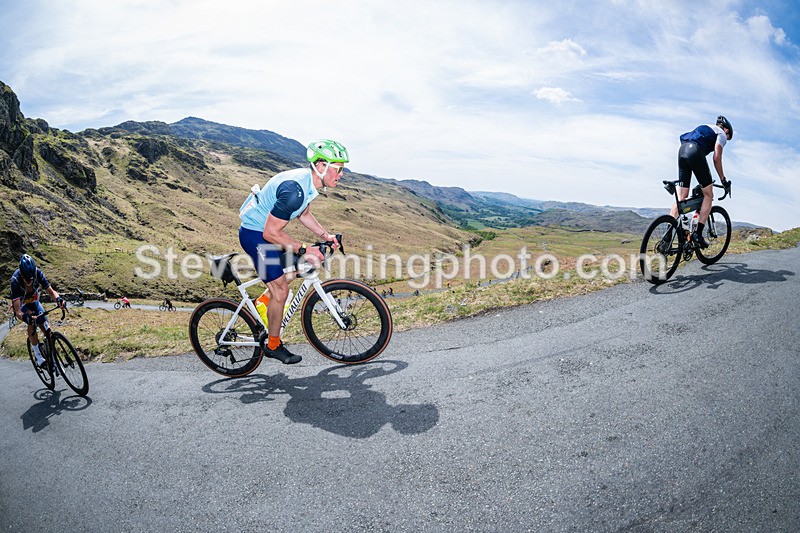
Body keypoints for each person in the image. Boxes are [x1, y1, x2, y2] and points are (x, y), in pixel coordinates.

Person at [238, 139, 348, 364]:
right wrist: (307, 247)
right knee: (281, 290)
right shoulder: (294, 190)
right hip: (255, 235)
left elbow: (304, 214)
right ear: (321, 167)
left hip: (268, 233)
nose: (341, 174)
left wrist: (325, 236)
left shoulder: (307, 184)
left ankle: (264, 301)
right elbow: (271, 234)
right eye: (339, 169)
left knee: (303, 265)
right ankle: (273, 345)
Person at [670, 115, 733, 248]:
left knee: (682, 198)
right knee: (708, 195)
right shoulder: (721, 133)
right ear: (726, 130)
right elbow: (717, 158)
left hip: (682, 150)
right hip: (695, 151)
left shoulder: (707, 127)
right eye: (728, 138)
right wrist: (723, 180)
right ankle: (697, 234)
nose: (726, 140)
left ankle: (668, 237)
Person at [10, 254, 64, 368]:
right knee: (31, 321)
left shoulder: (37, 273)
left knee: (46, 329)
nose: (29, 281)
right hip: (23, 306)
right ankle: (38, 357)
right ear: (21, 273)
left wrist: (59, 300)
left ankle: (50, 352)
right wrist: (26, 318)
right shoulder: (15, 281)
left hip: (35, 302)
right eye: (26, 278)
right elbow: (18, 312)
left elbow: (51, 291)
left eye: (31, 279)